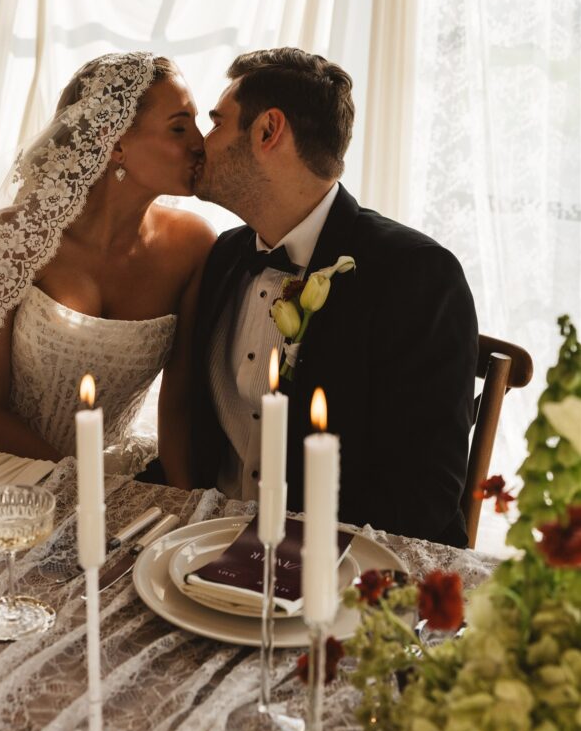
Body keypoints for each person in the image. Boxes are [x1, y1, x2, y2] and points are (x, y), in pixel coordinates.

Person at [189, 47, 477, 546]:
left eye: (216, 124)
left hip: (343, 568)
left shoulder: (418, 275)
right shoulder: (226, 256)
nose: (201, 143)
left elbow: (424, 493)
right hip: (207, 544)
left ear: (267, 131)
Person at [0, 52, 214, 486]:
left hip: (116, 478)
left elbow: (180, 402)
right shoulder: (16, 237)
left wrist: (182, 502)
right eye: (178, 126)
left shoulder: (192, 245)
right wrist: (81, 487)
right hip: (3, 469)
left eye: (196, 123)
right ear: (115, 144)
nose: (200, 142)